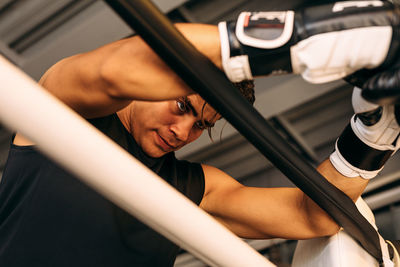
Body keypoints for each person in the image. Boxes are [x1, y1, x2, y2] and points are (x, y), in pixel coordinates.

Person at [1, 1, 400, 266]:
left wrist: (374, 133)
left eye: (202, 125)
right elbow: (113, 71)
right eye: (182, 106)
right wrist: (303, 40)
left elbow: (312, 216)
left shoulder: (194, 186)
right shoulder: (65, 111)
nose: (183, 132)